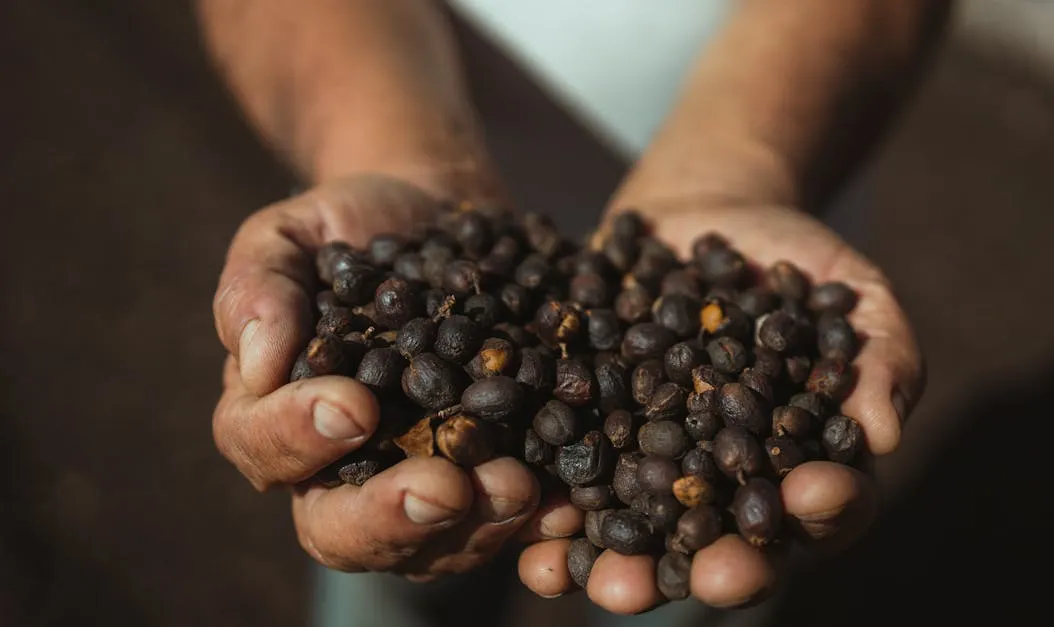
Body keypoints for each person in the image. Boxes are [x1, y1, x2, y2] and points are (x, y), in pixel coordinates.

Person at [200, 0, 946, 623]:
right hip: (433, 186)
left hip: (775, 186)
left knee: (696, 574)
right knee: (409, 533)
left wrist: (746, 165)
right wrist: (379, 147)